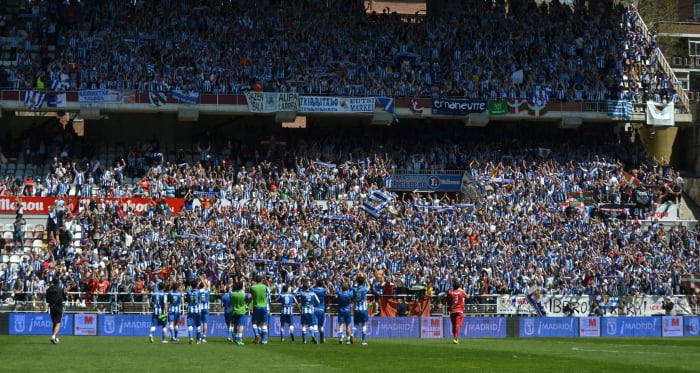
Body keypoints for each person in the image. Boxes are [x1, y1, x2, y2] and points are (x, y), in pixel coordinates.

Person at [45, 277, 67, 344]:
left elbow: (47, 300)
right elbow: (64, 298)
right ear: (58, 282)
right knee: (58, 323)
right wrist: (65, 292)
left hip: (51, 307)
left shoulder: (49, 289)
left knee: (54, 323)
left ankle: (55, 338)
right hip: (58, 307)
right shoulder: (61, 289)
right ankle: (54, 336)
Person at [250, 275, 271, 344]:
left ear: (255, 281)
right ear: (261, 280)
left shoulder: (252, 287)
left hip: (256, 306)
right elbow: (269, 291)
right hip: (264, 307)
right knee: (264, 323)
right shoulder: (264, 287)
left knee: (254, 322)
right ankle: (264, 340)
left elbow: (252, 296)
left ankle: (257, 334)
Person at [298, 279, 320, 344]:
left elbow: (295, 294)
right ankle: (312, 335)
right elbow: (318, 302)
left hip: (304, 311)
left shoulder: (302, 293)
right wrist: (314, 305)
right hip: (311, 311)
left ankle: (304, 341)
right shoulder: (313, 293)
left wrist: (299, 288)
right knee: (311, 325)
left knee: (304, 325)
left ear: (304, 287)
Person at [446, 280, 468, 344]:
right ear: (459, 286)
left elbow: (447, 299)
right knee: (458, 325)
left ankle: (455, 338)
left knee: (454, 325)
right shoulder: (461, 292)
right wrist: (462, 290)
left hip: (453, 311)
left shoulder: (451, 293)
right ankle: (455, 339)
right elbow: (467, 296)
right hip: (459, 311)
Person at [351, 273, 370, 346]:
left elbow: (355, 284)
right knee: (364, 324)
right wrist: (365, 278)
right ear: (363, 282)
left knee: (355, 324)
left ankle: (352, 334)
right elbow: (369, 286)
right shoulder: (364, 289)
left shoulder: (354, 289)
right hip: (363, 309)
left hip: (356, 309)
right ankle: (363, 341)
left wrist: (357, 278)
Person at [230, 280, 249, 345]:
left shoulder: (232, 294)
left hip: (234, 311)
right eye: (243, 286)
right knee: (241, 325)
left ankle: (235, 337)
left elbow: (229, 291)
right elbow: (249, 297)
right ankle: (239, 339)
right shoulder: (244, 294)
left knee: (235, 324)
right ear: (242, 287)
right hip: (241, 311)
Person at [311, 278, 328, 343]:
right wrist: (324, 284)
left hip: (315, 308)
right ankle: (322, 339)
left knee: (315, 324)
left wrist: (314, 284)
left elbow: (309, 288)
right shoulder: (324, 290)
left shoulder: (314, 290)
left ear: (317, 284)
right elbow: (327, 289)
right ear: (322, 284)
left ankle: (316, 339)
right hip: (322, 309)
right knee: (321, 325)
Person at [198, 275, 211, 343]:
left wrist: (201, 279)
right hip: (206, 308)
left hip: (200, 308)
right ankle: (204, 337)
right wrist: (203, 280)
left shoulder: (199, 291)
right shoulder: (208, 291)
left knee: (199, 323)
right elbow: (207, 286)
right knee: (205, 323)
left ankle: (199, 337)